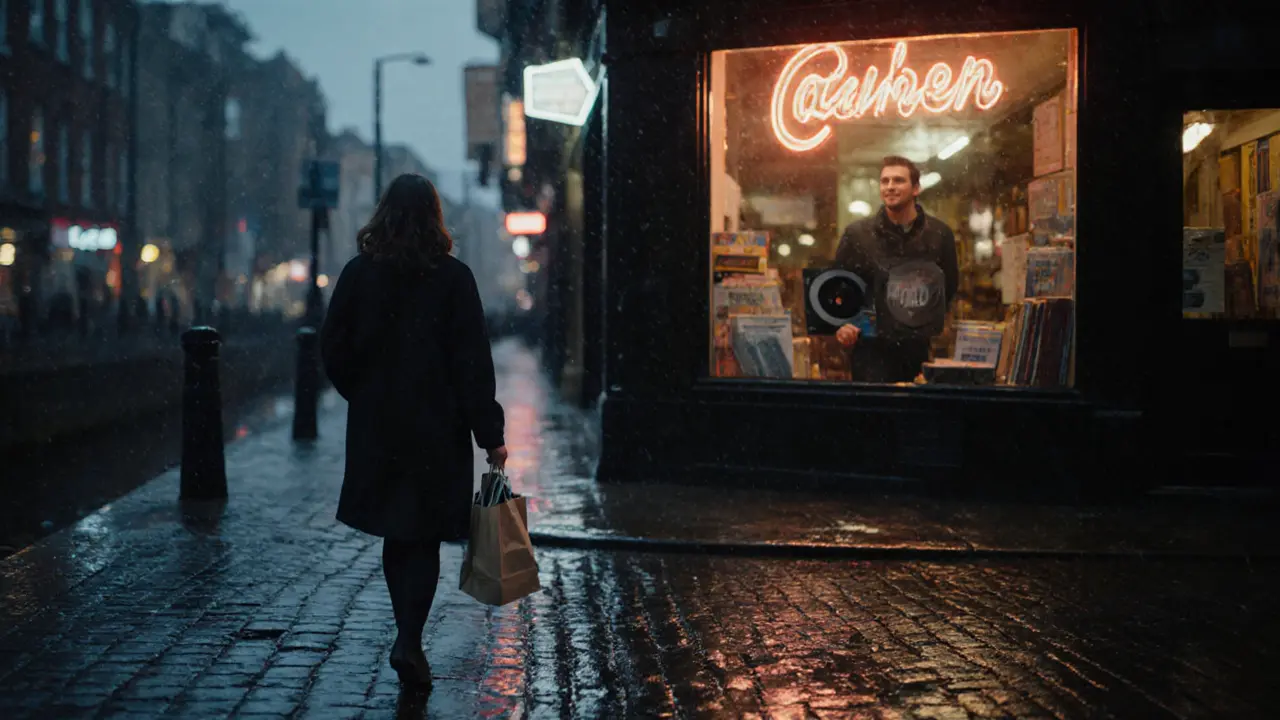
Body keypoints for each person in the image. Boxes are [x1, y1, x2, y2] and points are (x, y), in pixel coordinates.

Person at [320, 173, 507, 689]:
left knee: (395, 530)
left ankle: (405, 636)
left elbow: (332, 347)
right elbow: (473, 363)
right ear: (434, 217)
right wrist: (489, 433)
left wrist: (363, 391)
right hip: (436, 428)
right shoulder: (453, 278)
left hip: (379, 427)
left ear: (384, 214)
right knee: (421, 534)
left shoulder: (360, 275)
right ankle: (409, 638)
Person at [833, 156, 959, 383]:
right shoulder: (857, 235)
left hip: (918, 350)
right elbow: (836, 286)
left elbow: (949, 286)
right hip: (870, 352)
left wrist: (925, 320)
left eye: (898, 180)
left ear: (916, 188)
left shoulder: (939, 235)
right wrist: (842, 324)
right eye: (885, 181)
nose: (890, 186)